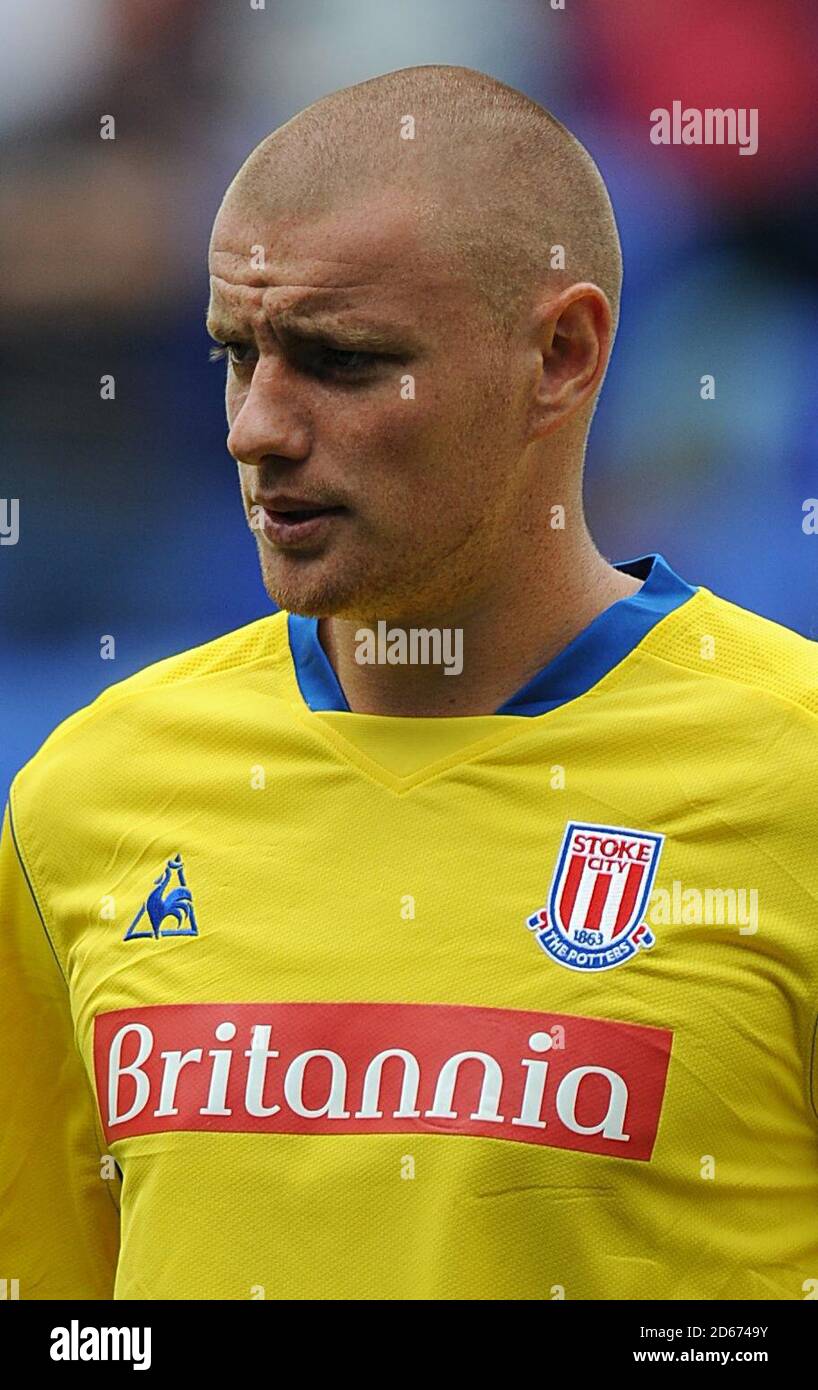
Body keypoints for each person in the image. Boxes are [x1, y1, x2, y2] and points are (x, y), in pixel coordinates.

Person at [2, 65, 816, 1302]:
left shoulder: (788, 770)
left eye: (337, 361)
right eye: (236, 353)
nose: (253, 427)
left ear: (560, 353)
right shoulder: (88, 795)